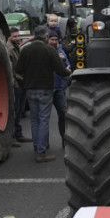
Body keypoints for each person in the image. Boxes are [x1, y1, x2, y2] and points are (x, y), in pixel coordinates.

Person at [14, 25, 70, 162]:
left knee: (35, 119)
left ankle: (36, 146)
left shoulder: (25, 50)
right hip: (45, 89)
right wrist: (68, 70)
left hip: (30, 89)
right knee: (44, 120)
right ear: (46, 37)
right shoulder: (49, 50)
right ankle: (41, 152)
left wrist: (25, 82)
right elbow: (60, 71)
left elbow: (18, 70)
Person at [8, 27, 31, 147]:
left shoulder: (18, 47)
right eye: (14, 36)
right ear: (9, 37)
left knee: (20, 110)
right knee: (15, 111)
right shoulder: (9, 50)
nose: (17, 38)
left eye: (18, 36)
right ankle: (12, 137)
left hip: (22, 82)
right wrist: (14, 83)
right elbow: (10, 70)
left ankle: (19, 134)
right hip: (16, 84)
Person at [48, 32, 70, 142]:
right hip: (47, 88)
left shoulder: (61, 51)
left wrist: (64, 61)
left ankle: (65, 140)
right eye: (52, 39)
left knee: (64, 115)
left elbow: (68, 68)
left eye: (56, 40)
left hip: (59, 88)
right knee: (44, 119)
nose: (54, 42)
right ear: (47, 39)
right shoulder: (45, 51)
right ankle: (43, 145)